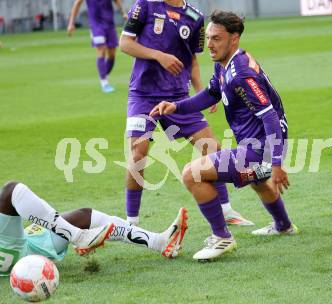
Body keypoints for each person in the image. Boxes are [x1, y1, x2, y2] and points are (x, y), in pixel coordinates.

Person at [150, 10, 299, 261]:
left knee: (192, 173)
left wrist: (276, 164)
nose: (209, 44)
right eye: (208, 38)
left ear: (234, 39)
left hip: (259, 150)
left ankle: (222, 237)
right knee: (259, 183)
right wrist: (176, 106)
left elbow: (269, 117)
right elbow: (210, 94)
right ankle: (283, 225)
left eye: (216, 38)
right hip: (256, 147)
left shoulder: (240, 74)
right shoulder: (227, 65)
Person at [119, 0, 253, 227]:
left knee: (211, 148)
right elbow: (125, 43)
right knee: (138, 154)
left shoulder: (195, 16)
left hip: (178, 97)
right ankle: (131, 222)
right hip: (143, 94)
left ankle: (226, 210)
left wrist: (203, 93)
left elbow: (193, 61)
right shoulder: (145, 5)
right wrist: (158, 55)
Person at [0, 181, 188, 276]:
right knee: (11, 191)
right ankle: (79, 237)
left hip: (24, 247)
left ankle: (161, 242)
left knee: (84, 216)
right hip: (9, 252)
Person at [67, 0, 128, 93]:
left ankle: (103, 74)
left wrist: (123, 12)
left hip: (109, 24)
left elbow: (117, 1)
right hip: (96, 25)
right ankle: (104, 82)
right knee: (101, 49)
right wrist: (71, 23)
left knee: (112, 54)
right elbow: (77, 4)